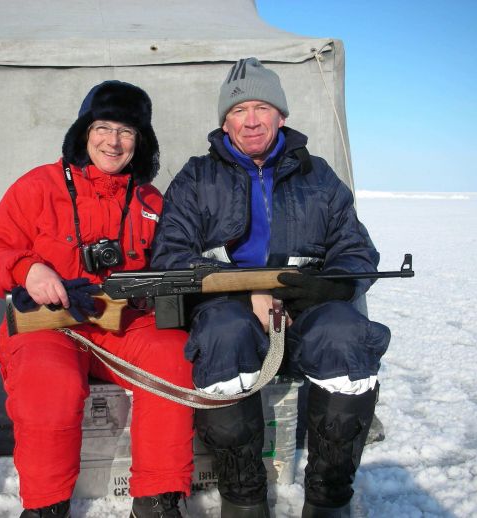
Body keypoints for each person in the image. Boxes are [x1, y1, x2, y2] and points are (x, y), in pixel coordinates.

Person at [150, 58, 391, 517]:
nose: (252, 120)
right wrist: (244, 292)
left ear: (282, 115)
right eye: (239, 111)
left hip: (307, 310)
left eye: (262, 107)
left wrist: (325, 288)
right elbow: (171, 255)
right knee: (223, 335)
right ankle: (242, 498)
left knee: (344, 335)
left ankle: (329, 496)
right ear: (225, 121)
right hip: (228, 307)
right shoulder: (197, 178)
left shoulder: (318, 176)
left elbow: (356, 251)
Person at [0, 80, 193, 518]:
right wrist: (26, 270)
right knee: (47, 381)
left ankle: (156, 498)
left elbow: (173, 261)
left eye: (127, 132)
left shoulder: (151, 200)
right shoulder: (38, 186)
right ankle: (46, 505)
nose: (113, 142)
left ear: (140, 141)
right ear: (84, 132)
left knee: (174, 356)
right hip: (50, 324)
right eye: (103, 127)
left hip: (123, 326)